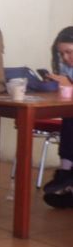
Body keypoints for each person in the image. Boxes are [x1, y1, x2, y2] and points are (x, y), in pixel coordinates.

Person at [42, 27, 73, 208]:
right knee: (69, 116)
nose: (65, 58)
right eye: (62, 54)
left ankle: (65, 173)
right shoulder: (66, 67)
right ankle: (67, 179)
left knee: (70, 118)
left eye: (69, 52)